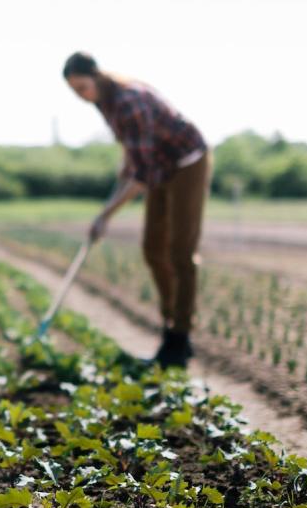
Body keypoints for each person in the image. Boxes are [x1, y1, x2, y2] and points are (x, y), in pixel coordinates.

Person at [62, 52, 210, 368]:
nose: (80, 96)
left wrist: (105, 215)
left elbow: (141, 176)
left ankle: (179, 339)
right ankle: (170, 324)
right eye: (74, 91)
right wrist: (114, 192)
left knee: (180, 252)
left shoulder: (130, 100)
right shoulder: (104, 102)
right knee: (153, 250)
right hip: (159, 167)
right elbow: (135, 157)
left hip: (187, 162)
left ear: (97, 75)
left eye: (82, 87)